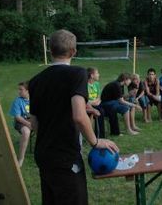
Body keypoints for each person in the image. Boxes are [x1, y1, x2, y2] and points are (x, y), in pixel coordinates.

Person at [29, 29, 118, 205]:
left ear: (50, 50)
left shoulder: (35, 81)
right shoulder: (77, 73)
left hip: (44, 154)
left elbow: (34, 122)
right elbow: (78, 115)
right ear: (73, 52)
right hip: (65, 156)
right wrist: (95, 142)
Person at [9, 81, 31, 167]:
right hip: (20, 122)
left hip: (32, 121)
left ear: (28, 91)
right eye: (19, 89)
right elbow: (17, 117)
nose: (19, 91)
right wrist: (28, 124)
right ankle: (21, 158)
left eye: (21, 89)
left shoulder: (35, 99)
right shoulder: (17, 101)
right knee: (26, 132)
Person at [86, 67, 105, 138]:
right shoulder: (85, 85)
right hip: (87, 105)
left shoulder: (97, 84)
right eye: (97, 73)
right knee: (100, 111)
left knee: (103, 110)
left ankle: (100, 135)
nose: (99, 75)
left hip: (96, 103)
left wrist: (96, 102)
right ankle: (98, 135)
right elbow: (85, 100)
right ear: (91, 75)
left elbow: (99, 97)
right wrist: (94, 103)